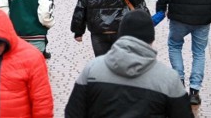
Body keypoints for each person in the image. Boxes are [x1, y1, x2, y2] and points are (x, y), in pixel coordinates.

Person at [65, 10, 193, 118]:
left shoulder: (92, 70)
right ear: (151, 39)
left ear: (120, 35)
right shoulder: (168, 79)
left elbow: (73, 113)